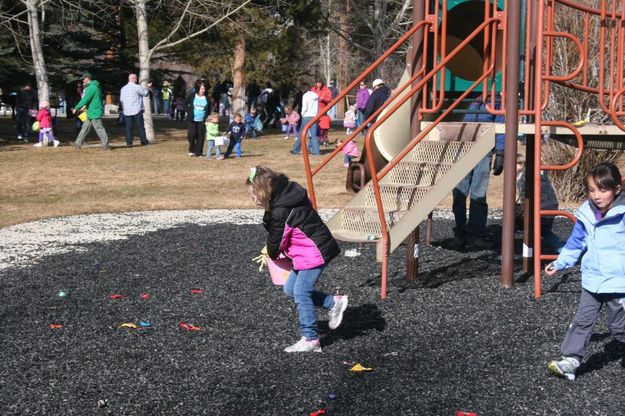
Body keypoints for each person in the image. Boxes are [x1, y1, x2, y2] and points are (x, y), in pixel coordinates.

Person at [245, 165, 348, 352]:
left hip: (314, 253)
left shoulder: (280, 212)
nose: (253, 200)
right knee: (290, 288)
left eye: (254, 196)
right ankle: (334, 303)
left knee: (301, 291)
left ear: (265, 192)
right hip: (306, 252)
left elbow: (277, 241)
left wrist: (272, 253)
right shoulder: (288, 197)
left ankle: (311, 339)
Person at [545, 161, 625, 381]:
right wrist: (560, 262)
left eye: (603, 190)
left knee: (618, 327)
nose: (596, 196)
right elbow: (576, 242)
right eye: (592, 190)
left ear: (617, 189)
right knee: (582, 320)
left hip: (618, 282)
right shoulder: (587, 214)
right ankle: (570, 359)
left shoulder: (622, 214)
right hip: (593, 279)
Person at [450, 95, 505, 249]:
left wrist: (501, 151)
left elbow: (501, 123)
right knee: (459, 192)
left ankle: (476, 234)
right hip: (463, 147)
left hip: (483, 147)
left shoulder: (496, 99)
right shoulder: (467, 96)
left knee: (478, 193)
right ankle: (460, 233)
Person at [515, 154, 563, 253]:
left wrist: (524, 211)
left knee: (533, 230)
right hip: (552, 205)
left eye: (518, 164)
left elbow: (525, 196)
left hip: (541, 207)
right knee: (544, 230)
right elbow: (544, 168)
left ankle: (559, 249)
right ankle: (558, 246)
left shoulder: (522, 177)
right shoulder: (538, 171)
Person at [71, 72, 110, 150]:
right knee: (85, 128)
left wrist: (77, 107)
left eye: (84, 79)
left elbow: (85, 99)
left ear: (88, 79)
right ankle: (78, 143)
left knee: (99, 128)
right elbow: (91, 100)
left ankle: (105, 145)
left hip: (94, 111)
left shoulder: (91, 88)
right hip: (91, 111)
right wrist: (85, 107)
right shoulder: (94, 87)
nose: (83, 80)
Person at [119, 73, 149, 147]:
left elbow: (121, 100)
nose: (137, 80)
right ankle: (144, 141)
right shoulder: (137, 87)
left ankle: (129, 142)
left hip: (127, 110)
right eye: (136, 78)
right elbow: (145, 94)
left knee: (128, 127)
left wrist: (124, 108)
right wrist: (148, 87)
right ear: (134, 79)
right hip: (136, 109)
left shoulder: (123, 88)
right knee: (140, 126)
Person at [291, 87, 319, 156]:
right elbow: (317, 107)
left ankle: (296, 150)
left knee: (301, 134)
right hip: (314, 116)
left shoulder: (305, 96)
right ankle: (316, 151)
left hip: (306, 116)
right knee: (313, 135)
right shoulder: (316, 95)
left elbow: (305, 107)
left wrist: (302, 114)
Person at [185, 80, 210, 157]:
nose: (203, 90)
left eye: (204, 89)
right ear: (197, 88)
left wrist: (207, 117)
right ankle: (192, 149)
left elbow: (208, 109)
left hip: (201, 120)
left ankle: (199, 152)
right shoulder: (192, 95)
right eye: (202, 89)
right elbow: (185, 103)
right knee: (191, 135)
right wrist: (188, 111)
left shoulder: (207, 98)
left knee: (201, 136)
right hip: (192, 119)